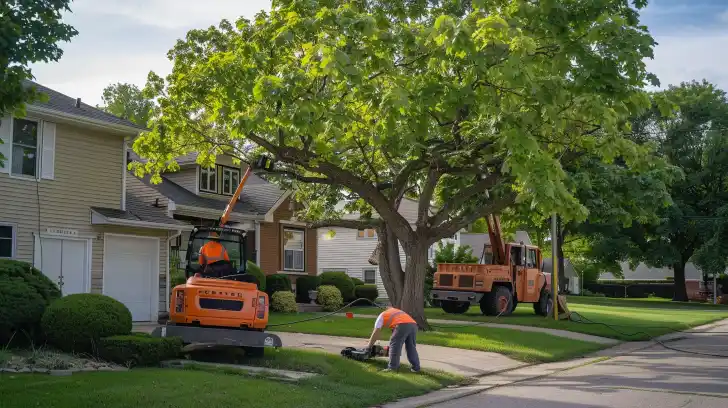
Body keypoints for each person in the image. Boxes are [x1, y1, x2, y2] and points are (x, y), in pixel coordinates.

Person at [366, 307, 421, 373]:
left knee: (395, 345)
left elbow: (375, 333)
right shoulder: (397, 312)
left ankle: (392, 368)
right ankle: (416, 368)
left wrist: (369, 347)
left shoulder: (382, 315)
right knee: (411, 347)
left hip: (402, 325)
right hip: (413, 325)